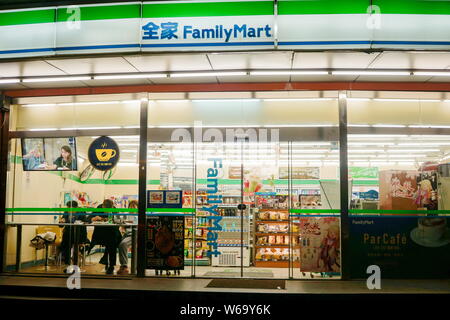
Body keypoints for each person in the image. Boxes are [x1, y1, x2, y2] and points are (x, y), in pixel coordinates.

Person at [89, 199, 122, 275]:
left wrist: (113, 219)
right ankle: (109, 264)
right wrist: (93, 218)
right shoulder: (99, 208)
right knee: (111, 243)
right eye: (105, 209)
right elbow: (89, 218)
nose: (106, 211)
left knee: (111, 242)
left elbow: (118, 221)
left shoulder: (114, 209)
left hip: (112, 232)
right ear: (103, 206)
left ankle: (109, 264)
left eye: (108, 209)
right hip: (100, 233)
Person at [59, 200, 89, 273]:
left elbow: (85, 223)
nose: (69, 210)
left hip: (79, 234)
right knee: (66, 248)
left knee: (77, 249)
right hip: (68, 234)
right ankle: (68, 265)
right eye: (68, 208)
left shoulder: (82, 212)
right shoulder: (66, 212)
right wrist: (61, 221)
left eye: (70, 208)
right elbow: (61, 225)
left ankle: (76, 266)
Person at [116, 200, 138, 275]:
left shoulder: (139, 215)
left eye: (134, 207)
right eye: (130, 207)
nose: (132, 209)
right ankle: (123, 266)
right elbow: (122, 225)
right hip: (127, 234)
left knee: (123, 244)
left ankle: (124, 266)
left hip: (135, 235)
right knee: (115, 242)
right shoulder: (126, 215)